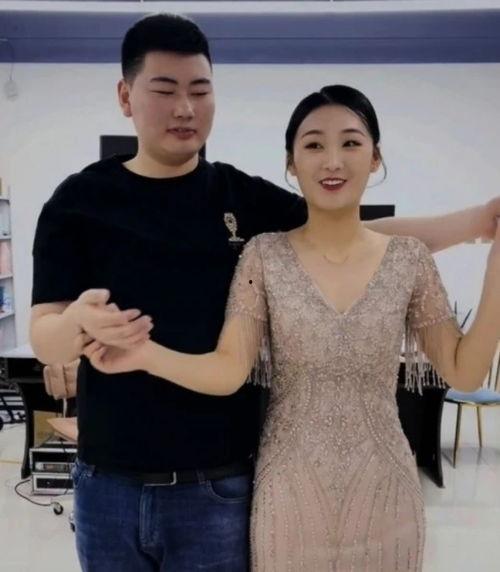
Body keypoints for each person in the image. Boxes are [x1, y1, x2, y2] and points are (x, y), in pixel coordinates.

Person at [29, 14, 500, 572]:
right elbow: (45, 337)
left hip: (219, 483)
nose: (185, 108)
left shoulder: (242, 199)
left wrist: (476, 222)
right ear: (126, 96)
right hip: (110, 480)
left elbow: (357, 236)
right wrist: (77, 323)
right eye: (165, 90)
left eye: (200, 90)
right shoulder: (78, 201)